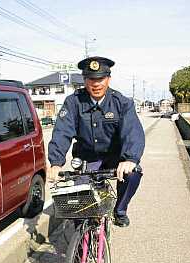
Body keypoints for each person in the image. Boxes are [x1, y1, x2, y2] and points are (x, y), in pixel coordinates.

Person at [48, 56, 145, 227]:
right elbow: (62, 132)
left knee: (133, 173)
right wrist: (56, 163)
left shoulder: (121, 103)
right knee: (80, 203)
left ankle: (120, 210)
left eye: (101, 79)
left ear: (108, 79)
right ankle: (80, 247)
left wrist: (130, 159)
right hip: (87, 159)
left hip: (115, 158)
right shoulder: (73, 102)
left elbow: (133, 132)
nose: (96, 84)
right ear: (85, 80)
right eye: (91, 79)